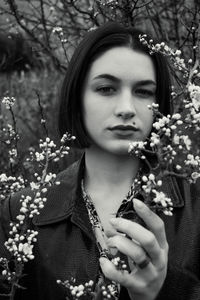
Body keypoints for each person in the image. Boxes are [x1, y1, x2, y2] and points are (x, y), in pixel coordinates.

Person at [0, 22, 200, 300]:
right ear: (77, 97)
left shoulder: (195, 208)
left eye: (143, 92)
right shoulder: (21, 213)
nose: (126, 109)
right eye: (106, 89)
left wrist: (165, 290)